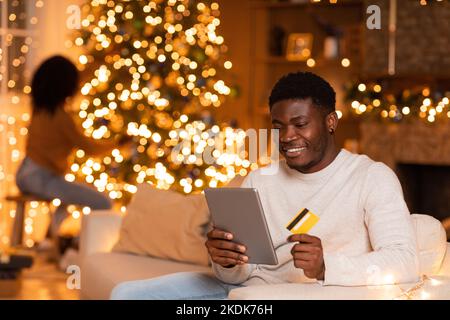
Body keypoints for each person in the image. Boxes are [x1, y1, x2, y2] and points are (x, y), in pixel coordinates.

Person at [110, 72, 419, 300]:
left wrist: (327, 266)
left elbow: (405, 261)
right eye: (278, 126)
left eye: (300, 124)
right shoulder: (260, 179)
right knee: (126, 294)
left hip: (300, 295)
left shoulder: (371, 177)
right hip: (241, 291)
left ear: (331, 122)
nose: (286, 137)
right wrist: (226, 260)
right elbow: (242, 272)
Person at [16, 55, 131, 245]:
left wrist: (103, 59)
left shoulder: (39, 107)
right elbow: (89, 148)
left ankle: (50, 240)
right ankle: (77, 245)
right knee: (103, 202)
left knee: (68, 198)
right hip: (42, 178)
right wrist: (117, 143)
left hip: (26, 173)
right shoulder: (61, 118)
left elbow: (80, 76)